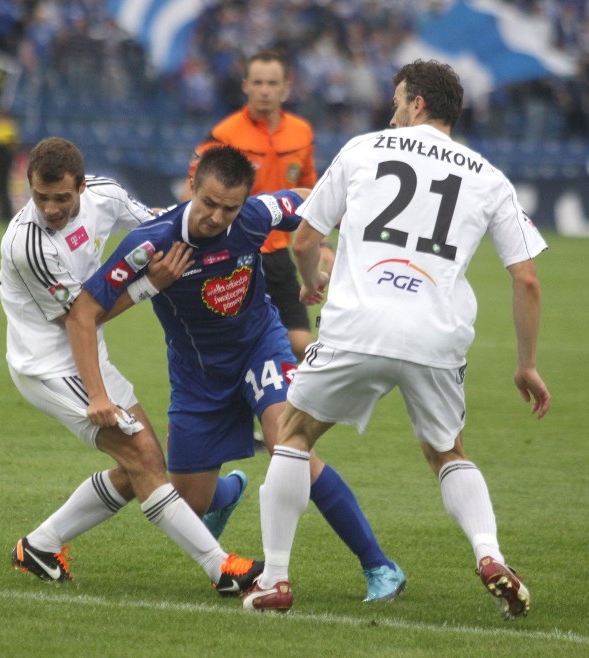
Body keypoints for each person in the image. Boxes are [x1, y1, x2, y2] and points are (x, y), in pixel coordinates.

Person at [242, 60, 551, 619]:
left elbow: (307, 236)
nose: (391, 111)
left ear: (417, 105)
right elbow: (526, 277)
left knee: (293, 434)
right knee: (447, 451)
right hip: (436, 335)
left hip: (358, 323)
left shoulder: (364, 149)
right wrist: (526, 364)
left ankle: (276, 581)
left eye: (396, 100)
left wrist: (312, 282)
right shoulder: (488, 176)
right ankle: (489, 555)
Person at [67, 145, 406, 603]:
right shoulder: (151, 242)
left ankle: (380, 566)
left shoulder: (256, 215)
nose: (216, 217)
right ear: (191, 188)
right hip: (197, 373)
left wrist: (334, 246)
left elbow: (314, 197)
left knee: (292, 451)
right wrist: (148, 289)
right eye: (208, 203)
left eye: (229, 208)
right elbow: (85, 312)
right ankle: (226, 494)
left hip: (259, 348)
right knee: (187, 503)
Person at [0, 137, 263, 595]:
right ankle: (221, 569)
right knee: (142, 456)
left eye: (62, 197)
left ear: (81, 186)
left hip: (85, 352)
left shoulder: (105, 194)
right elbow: (83, 316)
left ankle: (41, 545)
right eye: (40, 197)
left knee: (145, 461)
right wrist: (148, 286)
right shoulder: (28, 245)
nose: (51, 208)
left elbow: (159, 226)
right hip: (48, 365)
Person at [181, 49, 335, 362]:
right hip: (235, 253)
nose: (265, 90)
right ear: (246, 86)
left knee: (302, 345)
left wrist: (324, 243)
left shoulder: (301, 132)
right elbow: (192, 190)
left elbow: (312, 193)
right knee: (238, 348)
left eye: (272, 83)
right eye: (258, 82)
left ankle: (294, 409)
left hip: (278, 254)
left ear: (286, 87)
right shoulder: (225, 134)